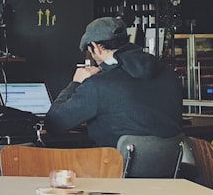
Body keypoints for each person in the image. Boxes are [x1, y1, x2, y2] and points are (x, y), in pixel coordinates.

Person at [43, 16, 182, 147]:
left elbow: (54, 123)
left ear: (96, 47)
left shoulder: (98, 85)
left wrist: (76, 83)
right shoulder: (169, 74)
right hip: (170, 169)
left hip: (114, 167)